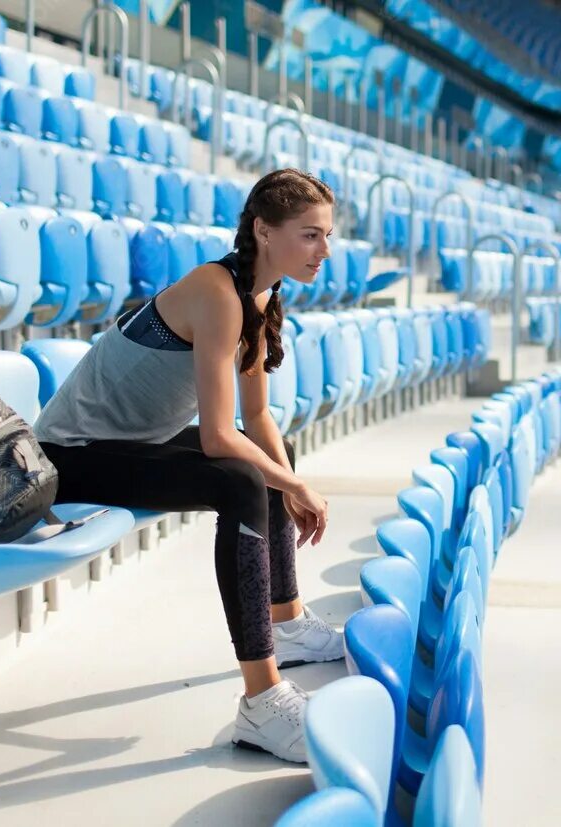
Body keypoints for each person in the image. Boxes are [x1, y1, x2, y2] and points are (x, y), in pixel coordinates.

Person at [32, 169, 339, 763]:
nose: (325, 250)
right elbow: (223, 439)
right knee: (244, 476)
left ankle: (288, 620)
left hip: (134, 442)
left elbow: (257, 418)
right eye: (310, 235)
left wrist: (292, 476)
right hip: (72, 454)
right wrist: (296, 486)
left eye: (326, 236)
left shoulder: (258, 295)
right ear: (264, 232)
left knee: (273, 458)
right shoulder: (217, 291)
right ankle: (262, 700)